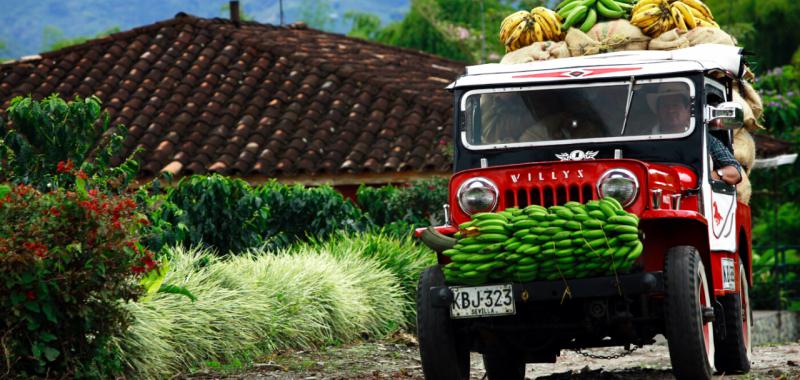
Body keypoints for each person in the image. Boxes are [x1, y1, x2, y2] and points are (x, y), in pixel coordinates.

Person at [652, 87, 742, 186]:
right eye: (665, 106)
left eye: (676, 105)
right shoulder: (645, 138)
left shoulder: (704, 138)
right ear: (658, 112)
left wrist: (711, 176)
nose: (671, 110)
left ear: (688, 111)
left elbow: (735, 171)